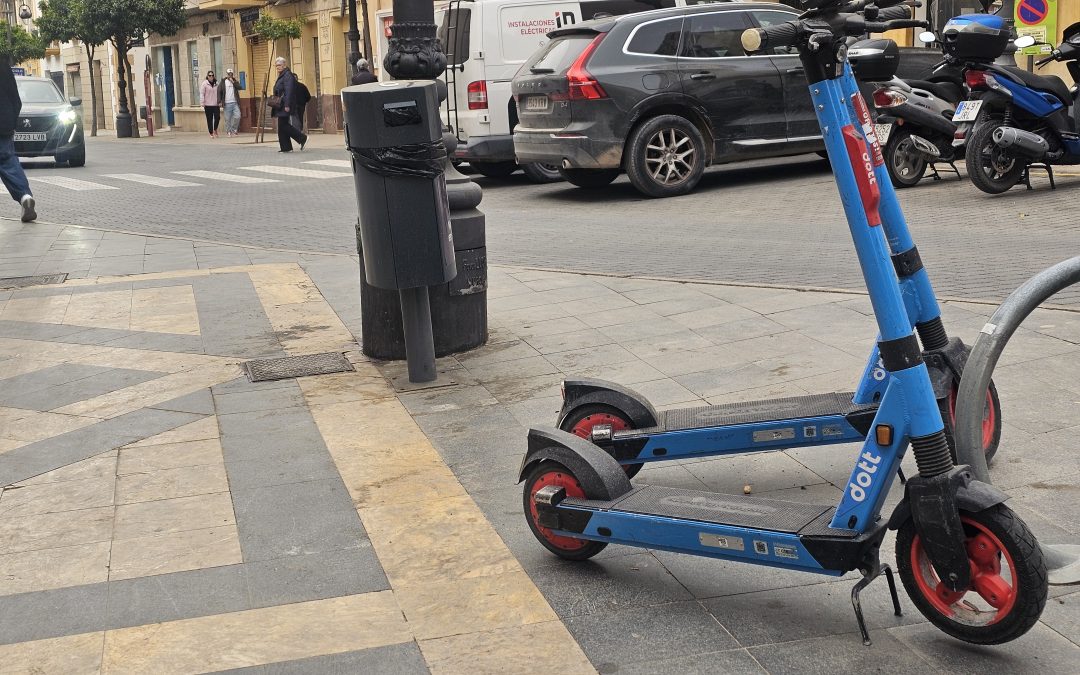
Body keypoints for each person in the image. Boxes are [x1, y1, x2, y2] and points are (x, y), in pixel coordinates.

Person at [0, 57, 36, 223]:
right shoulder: (3, 66)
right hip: (4, 124)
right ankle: (24, 196)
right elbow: (16, 99)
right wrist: (11, 122)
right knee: (8, 161)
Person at [272, 57, 307, 153]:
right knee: (281, 126)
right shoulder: (282, 75)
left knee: (283, 125)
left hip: (284, 104)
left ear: (284, 65)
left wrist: (287, 105)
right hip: (281, 104)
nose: (277, 67)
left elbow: (289, 91)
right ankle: (286, 147)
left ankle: (302, 138)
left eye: (279, 65)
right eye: (276, 65)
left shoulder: (287, 75)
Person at [218, 69, 243, 137]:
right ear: (227, 74)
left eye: (231, 74)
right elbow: (219, 91)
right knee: (227, 119)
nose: (230, 75)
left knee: (238, 116)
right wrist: (219, 101)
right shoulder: (223, 82)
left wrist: (233, 82)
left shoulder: (234, 81)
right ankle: (228, 131)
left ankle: (234, 130)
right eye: (229, 74)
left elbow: (240, 87)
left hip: (235, 102)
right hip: (227, 103)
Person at [200, 71, 221, 138]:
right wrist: (202, 102)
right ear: (207, 76)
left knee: (217, 117)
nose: (211, 77)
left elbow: (219, 93)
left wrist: (220, 101)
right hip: (208, 105)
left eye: (212, 75)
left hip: (215, 104)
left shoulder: (217, 83)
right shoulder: (204, 84)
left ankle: (215, 129)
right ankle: (211, 132)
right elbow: (202, 93)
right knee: (209, 119)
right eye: (210, 75)